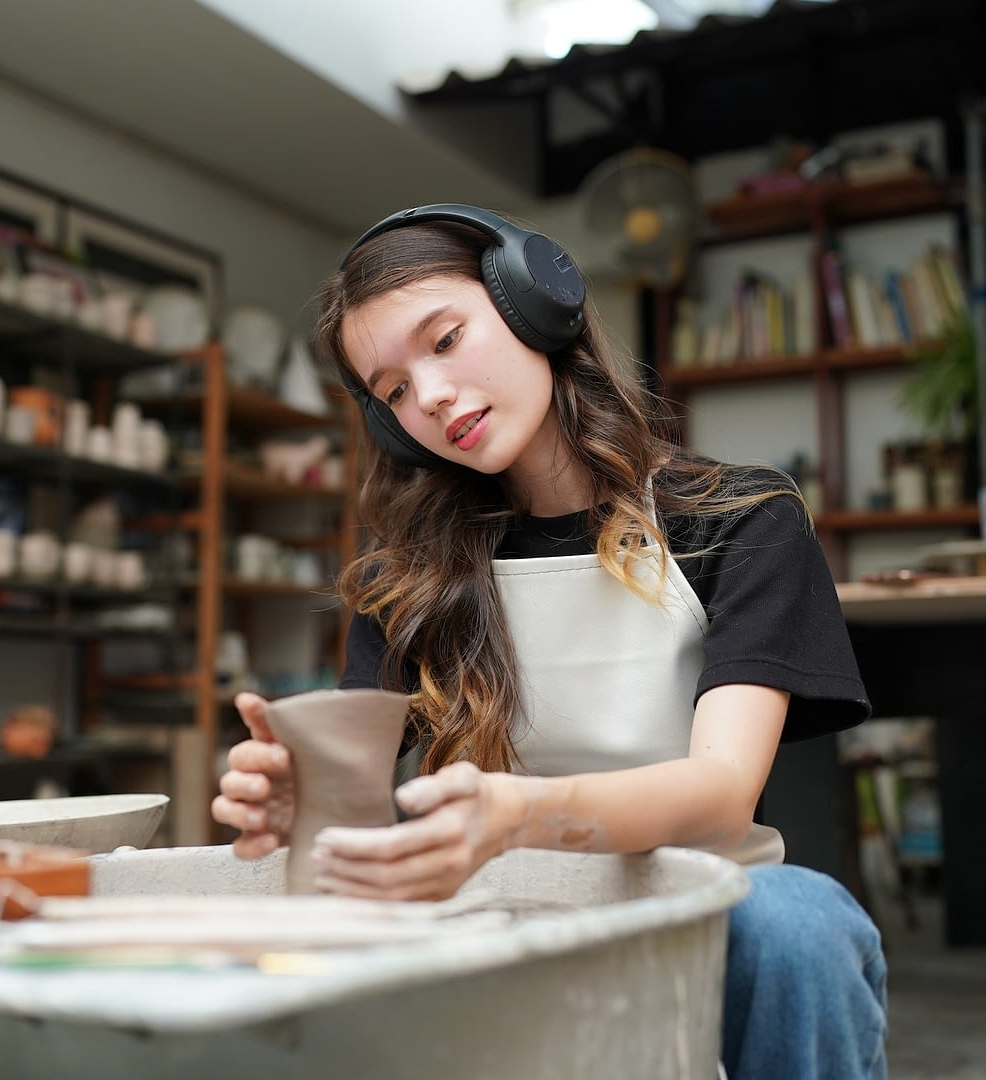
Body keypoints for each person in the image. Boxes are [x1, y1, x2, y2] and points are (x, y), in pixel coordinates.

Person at [211, 204, 886, 1079]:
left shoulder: (741, 519)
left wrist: (520, 816)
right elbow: (363, 803)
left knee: (803, 925)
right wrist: (301, 803)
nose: (433, 397)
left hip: (695, 903)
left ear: (536, 301)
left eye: (445, 340)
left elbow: (723, 793)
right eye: (395, 392)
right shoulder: (404, 579)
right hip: (490, 915)